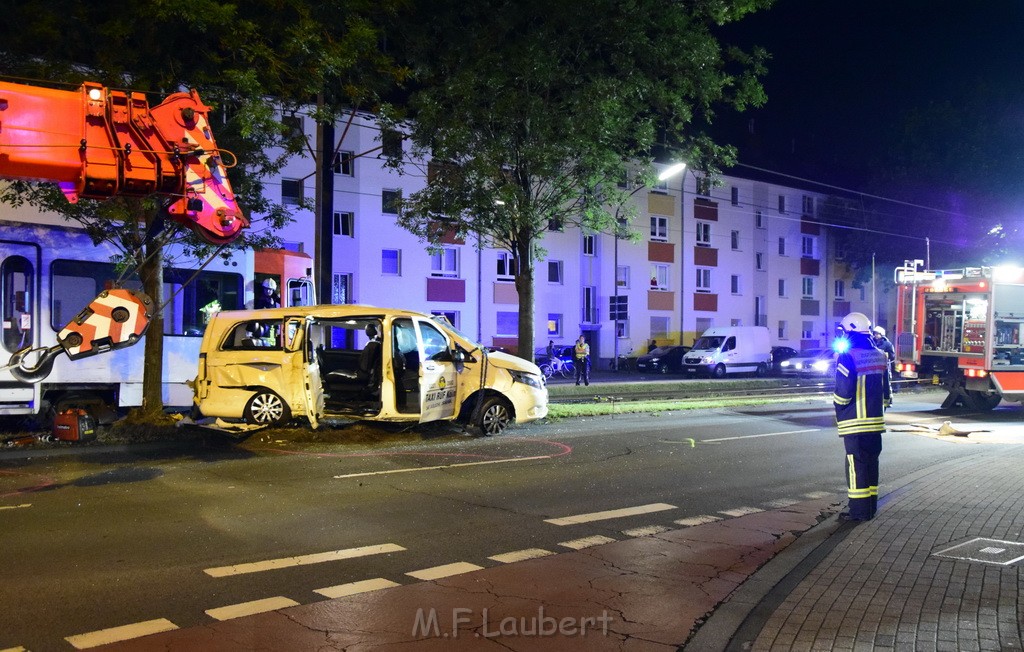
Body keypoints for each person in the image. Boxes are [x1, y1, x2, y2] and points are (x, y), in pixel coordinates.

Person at [834, 312, 892, 521]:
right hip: (876, 423)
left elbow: (843, 392)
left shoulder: (848, 356)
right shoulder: (879, 355)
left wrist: (838, 407)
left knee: (856, 466)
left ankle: (858, 513)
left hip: (855, 423)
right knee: (871, 464)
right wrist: (880, 408)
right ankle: (870, 509)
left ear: (849, 331)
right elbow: (887, 392)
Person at [871, 325, 898, 392]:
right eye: (875, 333)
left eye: (877, 334)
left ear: (881, 334)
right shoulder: (872, 343)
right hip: (873, 367)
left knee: (885, 384)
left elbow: (892, 356)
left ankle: (887, 396)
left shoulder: (887, 344)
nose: (875, 335)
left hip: (884, 368)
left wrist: (885, 355)